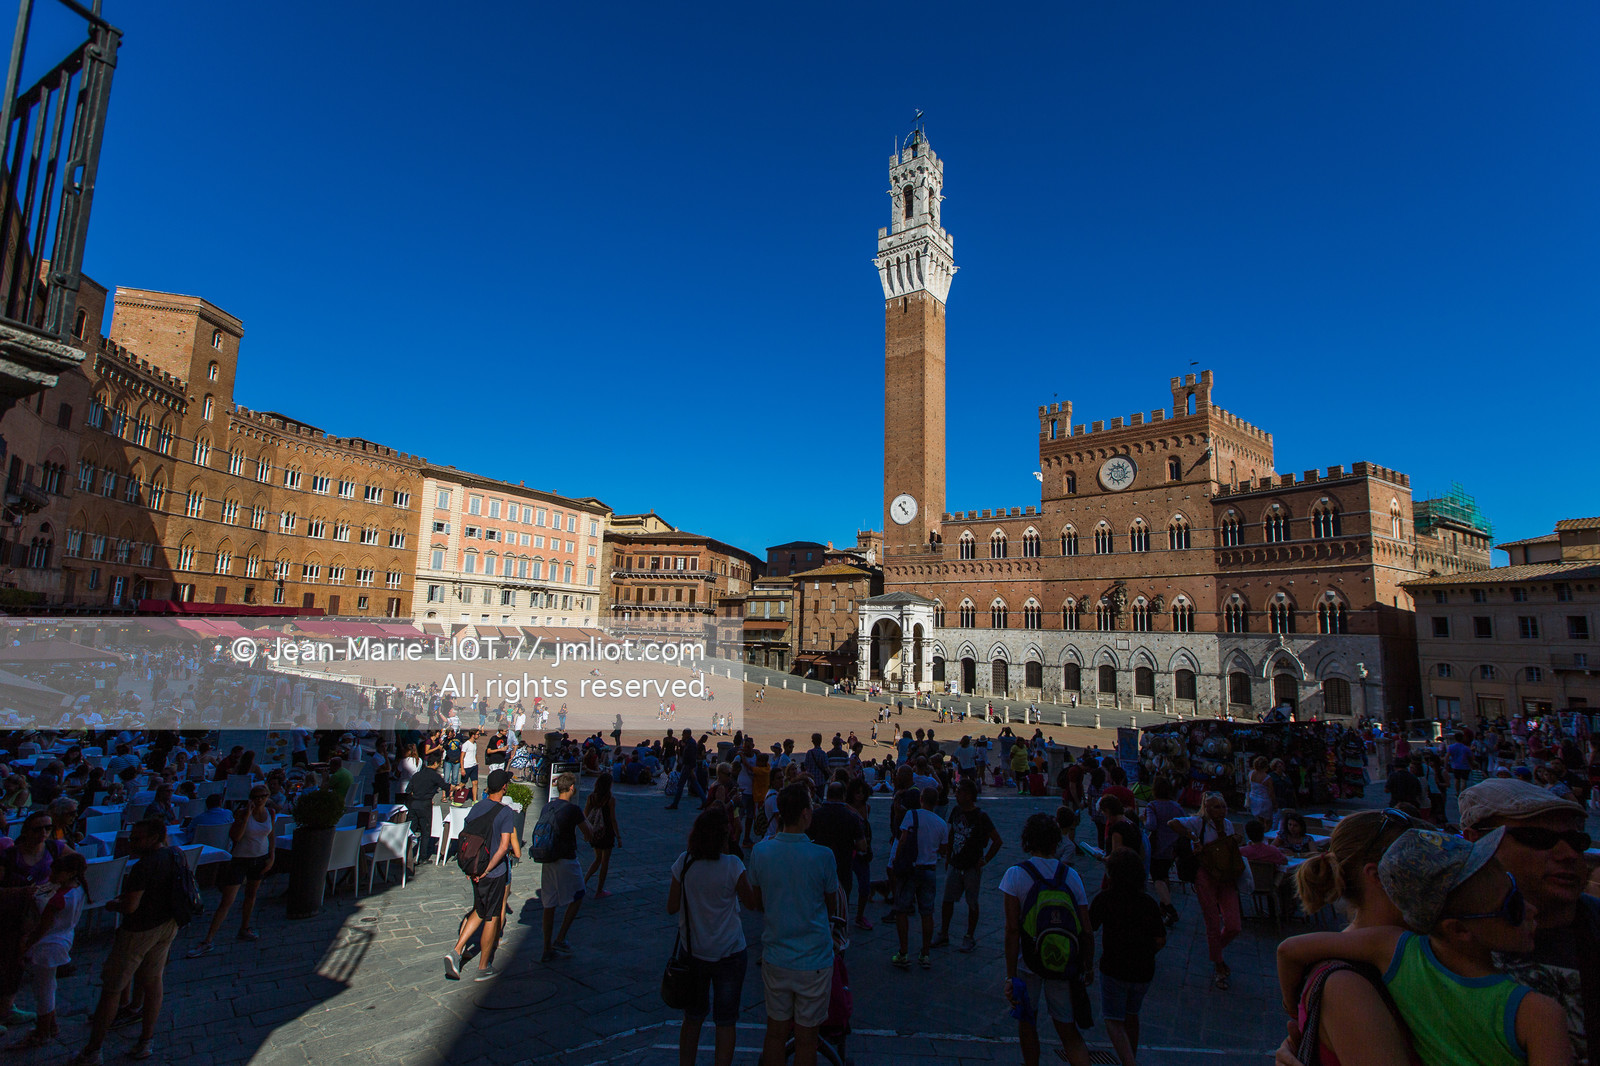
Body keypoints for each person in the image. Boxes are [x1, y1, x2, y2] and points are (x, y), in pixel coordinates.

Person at [1276, 828, 1571, 1066]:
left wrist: (1294, 1011)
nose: (1532, 910)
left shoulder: (1393, 948)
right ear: (1458, 930)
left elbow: (1289, 950)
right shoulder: (1539, 1014)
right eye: (1513, 906)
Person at [1459, 778, 1597, 1065]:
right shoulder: (1443, 940)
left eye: (1576, 841)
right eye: (1538, 838)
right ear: (1476, 841)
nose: (1568, 854)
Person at [72, 820, 181, 1064]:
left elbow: (131, 906)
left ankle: (93, 1050)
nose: (132, 843)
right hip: (167, 925)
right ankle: (146, 1041)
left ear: (154, 837)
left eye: (137, 839)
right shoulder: (176, 854)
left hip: (139, 930)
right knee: (154, 982)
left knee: (112, 988)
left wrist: (113, 904)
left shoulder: (144, 865)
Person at [747, 783, 839, 1066]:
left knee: (775, 1032)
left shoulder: (761, 852)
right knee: (807, 1039)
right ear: (805, 814)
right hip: (814, 958)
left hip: (776, 954)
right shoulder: (823, 855)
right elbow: (832, 905)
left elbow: (758, 902)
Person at [1001, 812, 1095, 1066]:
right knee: (1068, 1031)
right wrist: (1088, 965)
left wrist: (1010, 976)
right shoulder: (1071, 876)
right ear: (1056, 842)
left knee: (1027, 1021)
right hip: (1063, 962)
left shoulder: (1015, 875)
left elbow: (1012, 930)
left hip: (1027, 962)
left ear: (1027, 840)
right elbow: (1086, 929)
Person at [668, 807, 756, 1066]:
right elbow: (751, 902)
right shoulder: (733, 865)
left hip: (693, 952)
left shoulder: (684, 862)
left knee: (692, 1017)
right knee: (726, 1021)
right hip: (730, 952)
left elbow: (671, 907)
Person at [1090, 848, 1166, 1066]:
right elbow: (1160, 939)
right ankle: (1130, 1057)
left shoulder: (1105, 899)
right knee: (1132, 1014)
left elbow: (1088, 927)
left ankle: (1129, 1062)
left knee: (1113, 1019)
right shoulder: (1148, 903)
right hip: (1143, 970)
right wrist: (1147, 952)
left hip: (1114, 967)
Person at [444, 769, 519, 982]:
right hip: (493, 872)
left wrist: (472, 868)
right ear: (504, 787)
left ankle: (456, 951)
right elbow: (504, 846)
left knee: (479, 909)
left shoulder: (477, 807)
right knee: (491, 917)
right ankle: (484, 966)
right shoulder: (505, 812)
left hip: (475, 868)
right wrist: (487, 869)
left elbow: (467, 837)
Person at [185, 785, 275, 958]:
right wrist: (246, 816)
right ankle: (208, 939)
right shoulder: (241, 813)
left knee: (251, 895)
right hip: (240, 859)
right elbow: (235, 837)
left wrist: (272, 856)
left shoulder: (270, 812)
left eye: (263, 796)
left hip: (260, 858)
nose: (259, 799)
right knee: (227, 901)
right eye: (256, 796)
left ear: (267, 796)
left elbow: (271, 835)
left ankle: (244, 928)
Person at [1169, 792, 1246, 990]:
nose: (1221, 810)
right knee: (1212, 921)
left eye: (1223, 806)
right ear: (1207, 808)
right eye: (1216, 807)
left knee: (1234, 925)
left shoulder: (1227, 825)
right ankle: (1219, 964)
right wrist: (1193, 837)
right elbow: (1173, 823)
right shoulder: (1198, 822)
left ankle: (1214, 950)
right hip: (1206, 875)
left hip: (1226, 876)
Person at [15, 851, 88, 1046]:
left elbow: (42, 927)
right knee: (48, 985)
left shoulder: (59, 899)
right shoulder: (77, 889)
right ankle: (50, 1025)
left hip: (47, 945)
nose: (52, 876)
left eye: (56, 873)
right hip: (62, 939)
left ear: (69, 873)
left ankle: (42, 1032)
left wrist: (26, 945)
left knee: (43, 989)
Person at [937, 777, 1001, 952]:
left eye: (959, 791)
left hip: (972, 865)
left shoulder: (981, 817)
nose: (956, 794)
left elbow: (997, 840)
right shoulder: (956, 810)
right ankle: (944, 933)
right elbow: (952, 833)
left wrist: (985, 859)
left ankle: (969, 936)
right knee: (947, 900)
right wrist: (948, 856)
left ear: (969, 795)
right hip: (955, 863)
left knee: (972, 902)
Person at [536, 772, 593, 962]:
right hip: (566, 858)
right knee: (578, 894)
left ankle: (546, 947)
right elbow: (588, 832)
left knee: (549, 903)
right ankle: (560, 938)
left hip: (547, 856)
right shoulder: (573, 809)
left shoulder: (547, 806)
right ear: (572, 788)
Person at [890, 787, 948, 970]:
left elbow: (903, 840)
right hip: (929, 869)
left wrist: (896, 861)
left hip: (910, 868)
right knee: (927, 913)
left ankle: (903, 952)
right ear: (936, 802)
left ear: (921, 798)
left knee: (901, 910)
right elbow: (943, 850)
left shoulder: (911, 815)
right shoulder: (941, 823)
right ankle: (925, 954)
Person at [806, 780, 866, 923]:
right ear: (843, 796)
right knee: (843, 899)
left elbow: (807, 838)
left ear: (828, 794)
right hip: (843, 864)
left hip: (819, 865)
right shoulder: (851, 816)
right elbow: (862, 845)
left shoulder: (816, 815)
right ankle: (840, 926)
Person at [1143, 777, 1184, 927]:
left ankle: (1169, 908)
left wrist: (1143, 820)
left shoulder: (1152, 806)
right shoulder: (1177, 806)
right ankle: (1163, 907)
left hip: (1158, 846)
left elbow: (1151, 825)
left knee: (1157, 878)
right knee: (1165, 875)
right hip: (1173, 847)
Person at [404, 751, 448, 866]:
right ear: (436, 763)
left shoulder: (417, 775)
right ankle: (422, 857)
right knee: (425, 831)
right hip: (425, 805)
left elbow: (408, 790)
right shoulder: (435, 776)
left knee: (410, 831)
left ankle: (405, 854)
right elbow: (445, 787)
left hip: (414, 804)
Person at [584, 773, 619, 898]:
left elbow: (585, 815)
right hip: (607, 832)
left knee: (597, 858)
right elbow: (613, 819)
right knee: (605, 862)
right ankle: (599, 890)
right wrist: (618, 836)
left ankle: (583, 882)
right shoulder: (610, 799)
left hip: (595, 832)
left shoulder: (591, 797)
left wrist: (586, 832)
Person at [666, 727, 707, 810]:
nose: (682, 735)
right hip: (688, 767)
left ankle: (675, 803)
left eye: (683, 734)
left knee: (681, 785)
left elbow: (691, 757)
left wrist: (691, 769)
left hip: (688, 767)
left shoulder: (691, 744)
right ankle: (704, 801)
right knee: (694, 784)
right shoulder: (690, 742)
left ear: (687, 734)